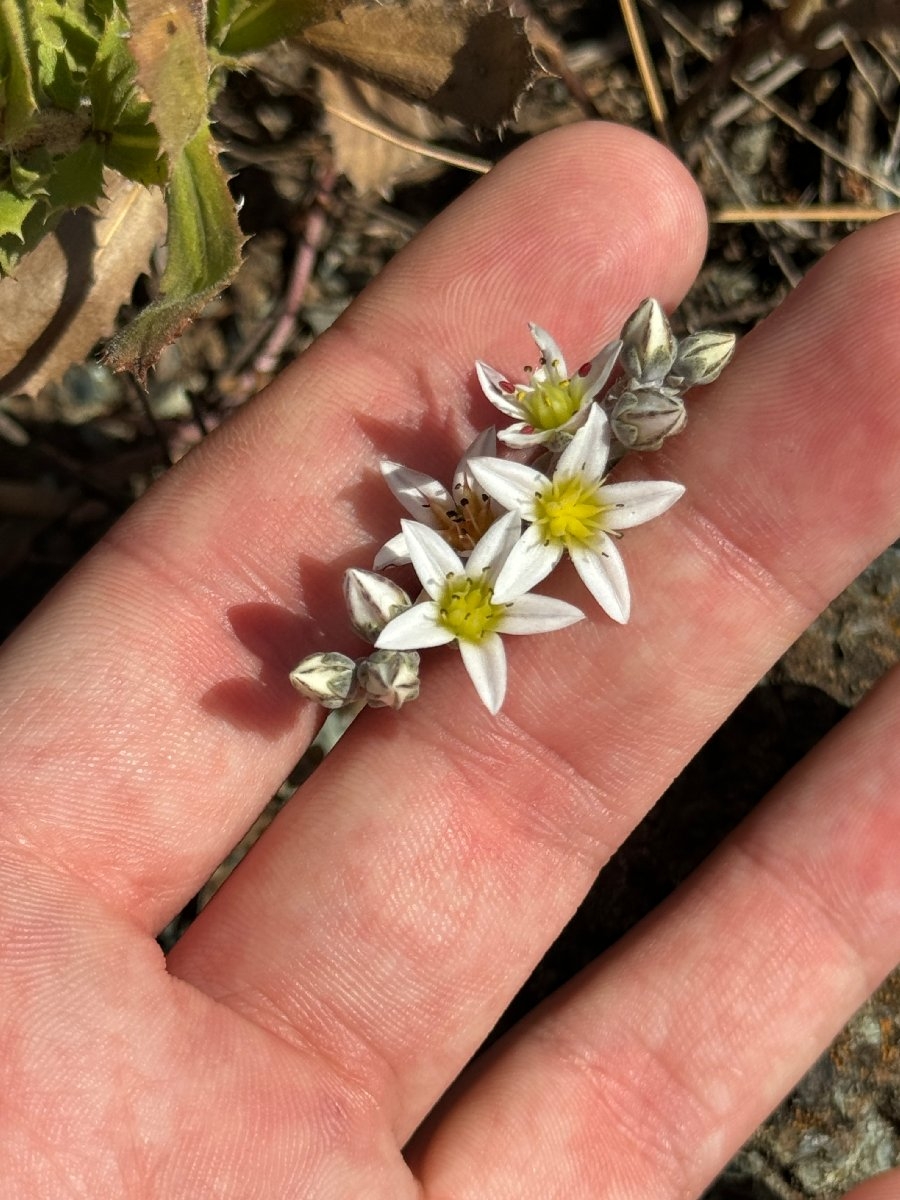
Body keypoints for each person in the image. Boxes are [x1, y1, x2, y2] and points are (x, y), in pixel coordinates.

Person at [0, 121, 898, 1200]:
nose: (563, 505)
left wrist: (492, 558)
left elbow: (537, 539)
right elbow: (500, 551)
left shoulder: (545, 542)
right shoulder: (502, 560)